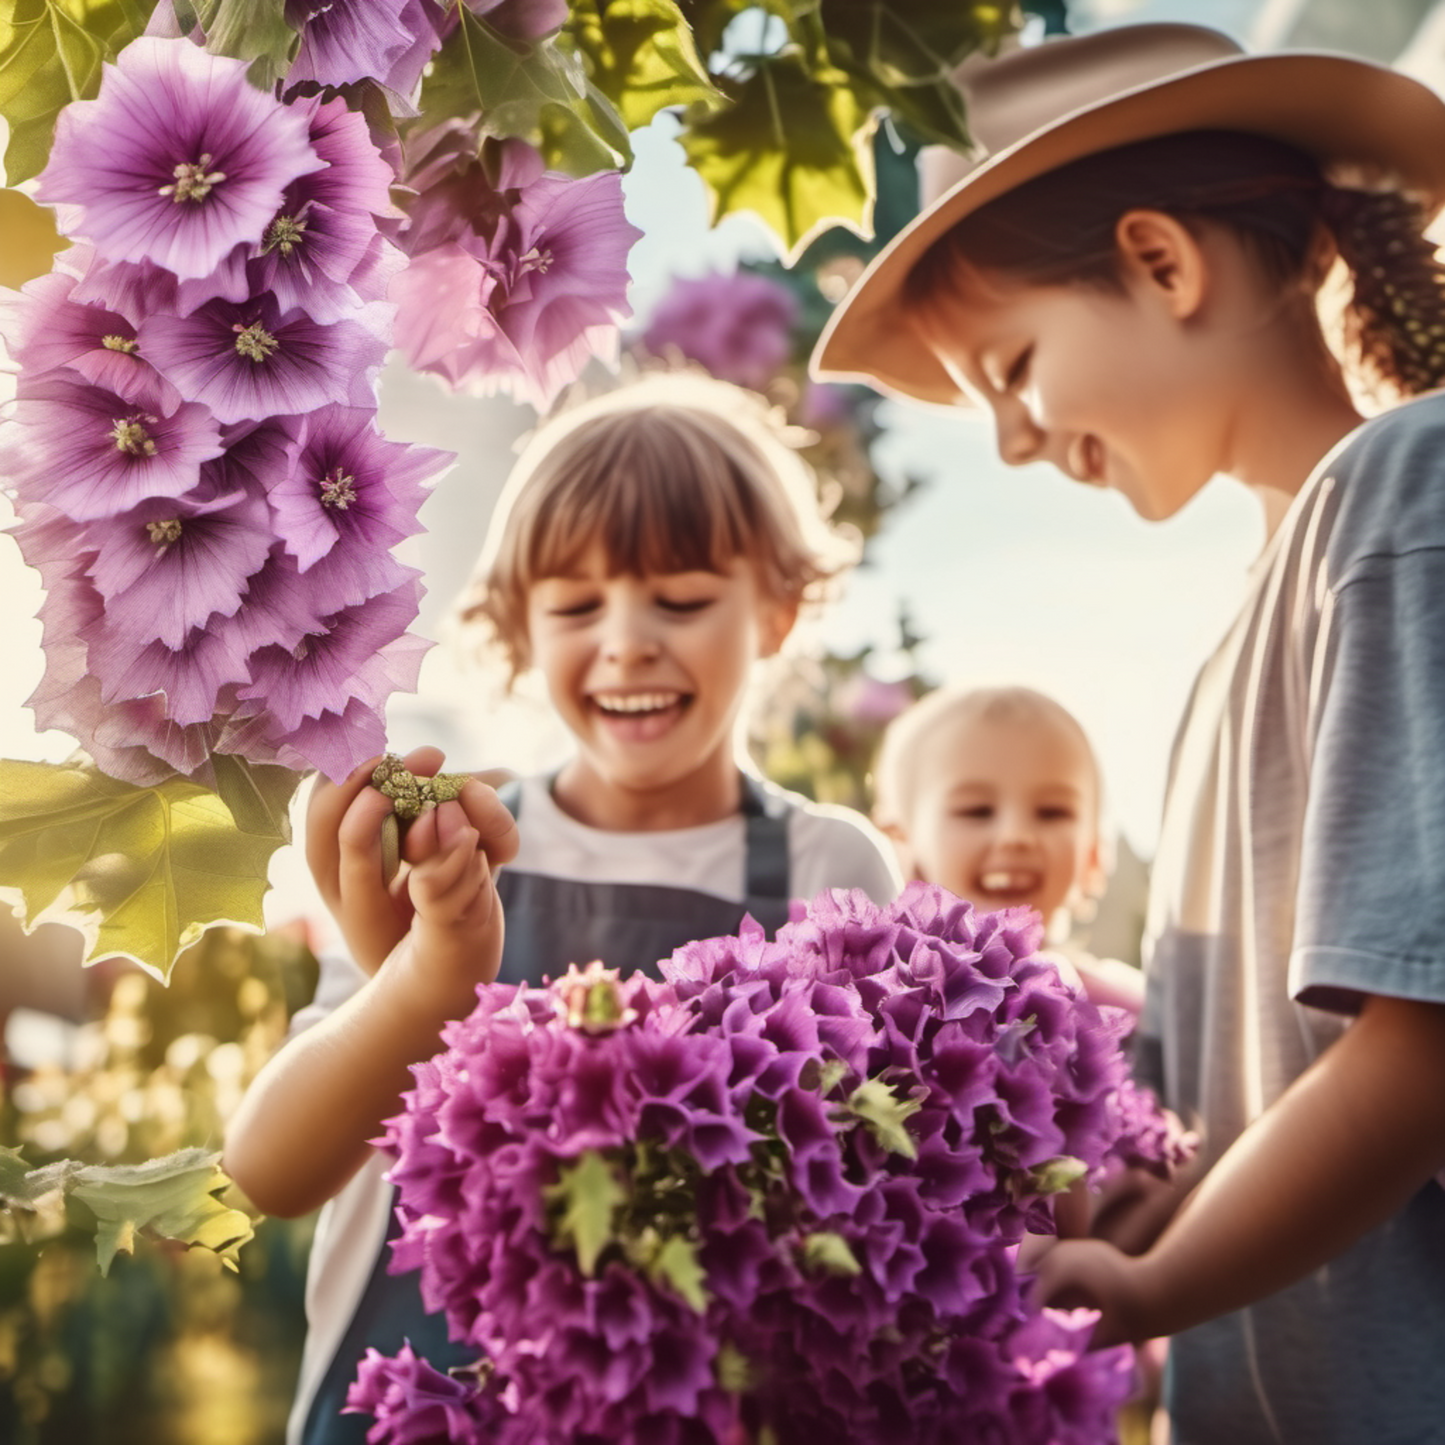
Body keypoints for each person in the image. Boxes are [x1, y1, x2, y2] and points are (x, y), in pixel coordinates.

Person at [811, 22, 1445, 1445]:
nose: (1014, 444)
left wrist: (1149, 1277)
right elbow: (1263, 1092)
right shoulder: (1243, 622)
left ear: (1161, 263)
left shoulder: (1406, 498)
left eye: (1011, 367)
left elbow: (1419, 1051)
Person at [223, 372, 902, 1445]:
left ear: (774, 610)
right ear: (516, 626)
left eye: (679, 598)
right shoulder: (456, 845)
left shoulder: (830, 864)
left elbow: (869, 1206)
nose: (627, 639)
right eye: (577, 605)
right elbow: (270, 1166)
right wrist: (426, 977)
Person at [872, 683, 1143, 1014]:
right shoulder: (877, 1005)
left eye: (1052, 812)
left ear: (1093, 853)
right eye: (977, 810)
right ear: (901, 844)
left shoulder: (1126, 1013)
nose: (1017, 835)